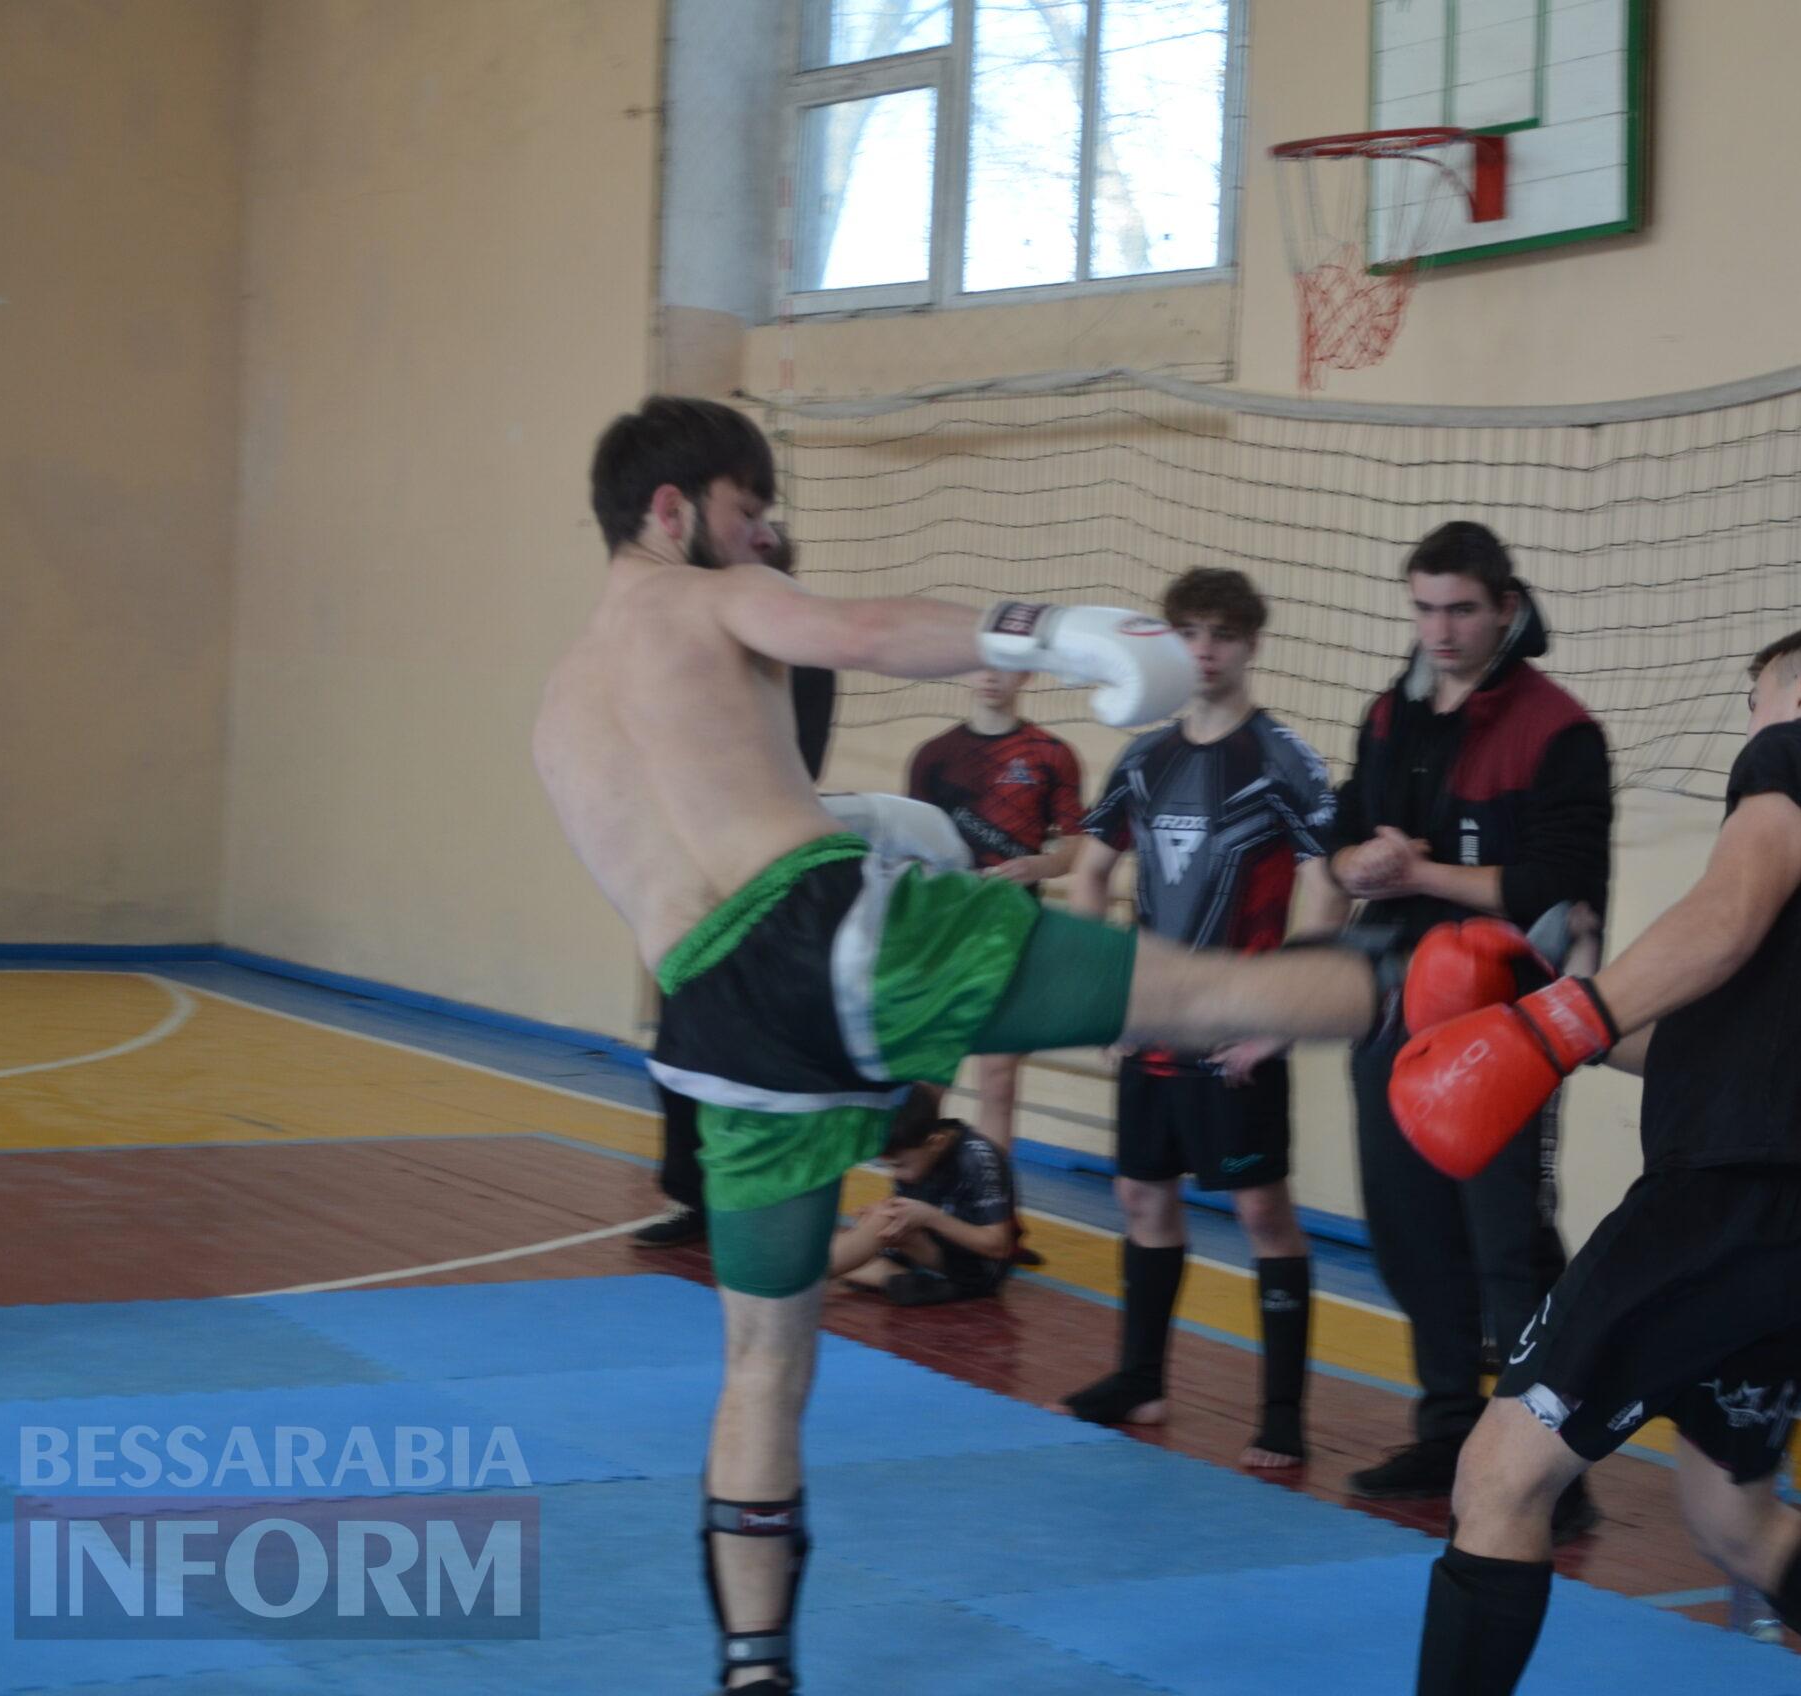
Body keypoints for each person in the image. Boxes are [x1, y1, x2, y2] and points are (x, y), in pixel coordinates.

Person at [537, 397, 1385, 1694]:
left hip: (715, 1020)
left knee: (762, 1361)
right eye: (749, 511)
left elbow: (685, 855)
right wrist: (1060, 634)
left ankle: (753, 1666)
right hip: (839, 936)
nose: (766, 537)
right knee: (1209, 996)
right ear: (672, 510)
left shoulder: (556, 714)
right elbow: (864, 634)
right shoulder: (702, 598)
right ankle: (1480, 994)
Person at [1387, 612, 1801, 1696]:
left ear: (1800, 691)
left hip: (1722, 1203)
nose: (1745, 726)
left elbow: (1724, 912)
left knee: (1498, 1473)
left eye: (1753, 696)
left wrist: (1551, 1025)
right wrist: (1530, 1010)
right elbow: (1699, 1039)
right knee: (1737, 1518)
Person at [1327, 521, 1611, 1531]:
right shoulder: (1388, 716)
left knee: (1508, 1248)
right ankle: (1449, 1423)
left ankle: (1553, 1464)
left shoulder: (1556, 729)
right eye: (1424, 608)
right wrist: (1351, 864)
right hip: (1394, 1011)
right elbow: (1343, 826)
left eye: (1459, 610)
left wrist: (1420, 872)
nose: (1439, 630)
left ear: (1502, 607)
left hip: (1506, 1020)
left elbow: (1557, 885)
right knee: (1408, 1234)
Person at [1056, 568, 1344, 1469]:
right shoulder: (1143, 757)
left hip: (1237, 1028)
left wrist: (1281, 1018)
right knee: (1142, 1194)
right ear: (1171, 644)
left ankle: (1284, 1413)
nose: (1207, 651)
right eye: (1192, 634)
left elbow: (1329, 884)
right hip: (1153, 1025)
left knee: (1261, 1209)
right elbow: (1091, 868)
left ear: (1253, 643)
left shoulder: (1283, 758)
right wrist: (1101, 986)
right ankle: (1141, 1379)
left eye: (1224, 634)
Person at [639, 524, 836, 1251]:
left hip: (766, 874)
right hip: (699, 875)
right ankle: (693, 1194)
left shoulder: (801, 659)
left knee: (753, 1053)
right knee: (680, 1044)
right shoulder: (695, 651)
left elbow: (795, 765)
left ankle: (756, 1198)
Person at [907, 668, 1085, 1265]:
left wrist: (1035, 868)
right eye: (981, 662)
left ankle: (998, 1228)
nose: (991, 676)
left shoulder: (1050, 755)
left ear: (1026, 672)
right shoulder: (935, 756)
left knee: (1000, 1085)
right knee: (925, 1083)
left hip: (1013, 936)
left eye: (1005, 665)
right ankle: (912, 1215)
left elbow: (1073, 847)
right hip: (946, 937)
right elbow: (911, 849)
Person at [829, 1084, 1018, 1306]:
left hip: (978, 1267)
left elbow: (998, 1245)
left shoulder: (979, 1159)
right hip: (933, 1250)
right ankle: (900, 1280)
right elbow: (913, 1207)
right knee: (878, 1222)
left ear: (935, 1143)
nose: (896, 1174)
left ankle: (800, 1276)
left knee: (884, 1222)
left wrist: (929, 1217)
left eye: (900, 1166)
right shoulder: (917, 1151)